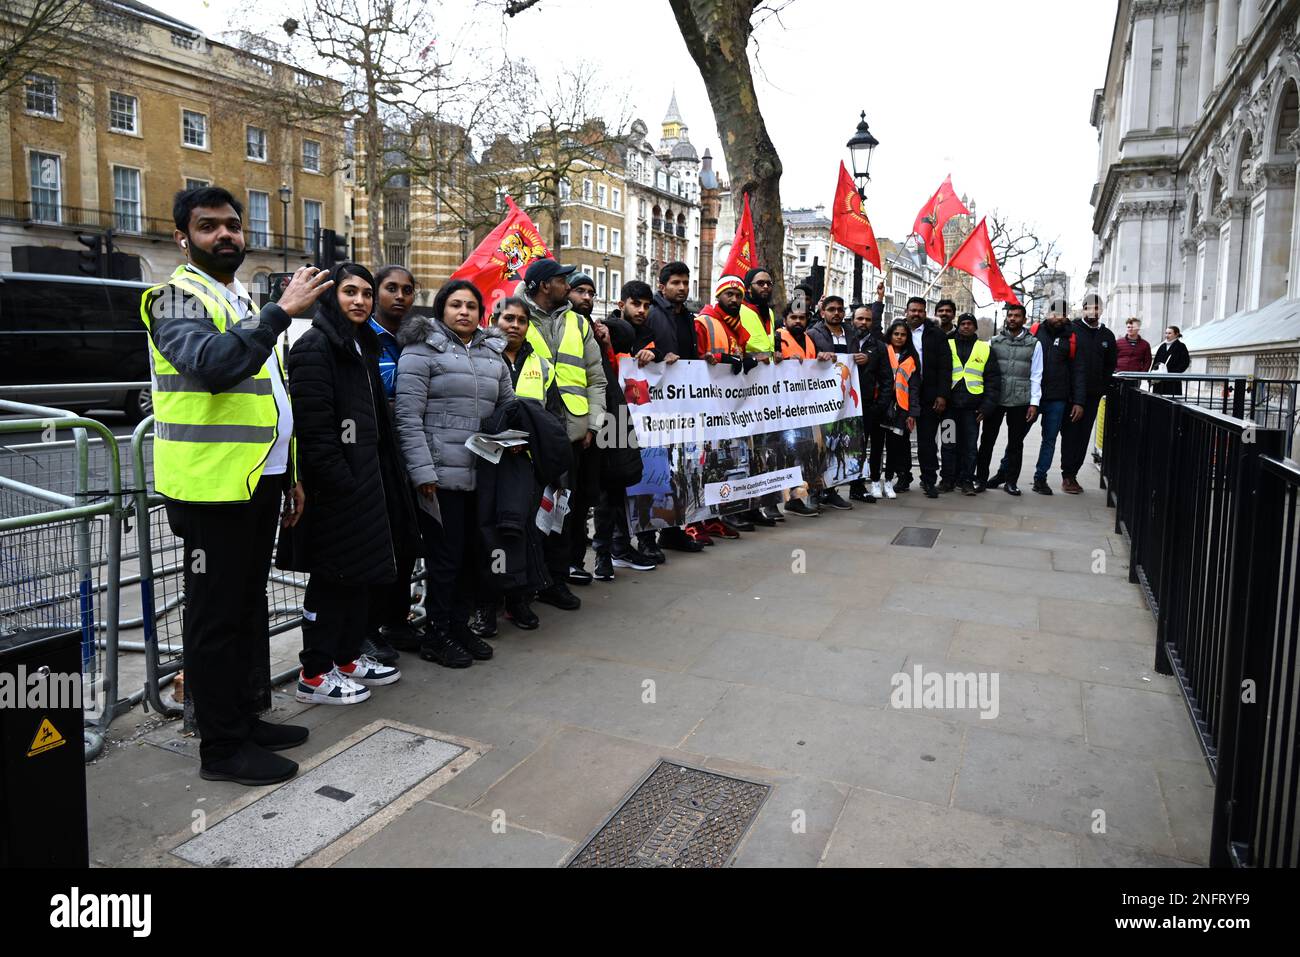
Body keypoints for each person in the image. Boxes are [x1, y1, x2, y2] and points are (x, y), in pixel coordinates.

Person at [141, 185, 330, 786]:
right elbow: (218, 367)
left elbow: (270, 395)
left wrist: (291, 471)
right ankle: (220, 748)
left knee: (247, 608)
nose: (225, 235)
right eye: (208, 227)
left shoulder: (239, 297)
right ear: (183, 238)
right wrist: (280, 313)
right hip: (208, 489)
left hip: (260, 480)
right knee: (214, 619)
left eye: (232, 225)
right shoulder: (170, 298)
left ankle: (245, 719)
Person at [284, 263, 410, 705]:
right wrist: (344, 482)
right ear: (331, 297)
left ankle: (347, 656)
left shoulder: (363, 345)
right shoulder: (315, 346)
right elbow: (315, 431)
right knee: (331, 579)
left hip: (367, 483)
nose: (360, 301)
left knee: (358, 577)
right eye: (349, 292)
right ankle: (315, 673)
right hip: (337, 490)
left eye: (365, 293)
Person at [396, 279, 514, 667]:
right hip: (439, 477)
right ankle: (437, 634)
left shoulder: (494, 354)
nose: (464, 312)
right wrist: (421, 471)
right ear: (441, 310)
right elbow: (407, 417)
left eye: (471, 306)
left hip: (484, 475)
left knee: (472, 558)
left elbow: (508, 410)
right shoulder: (420, 351)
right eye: (455, 305)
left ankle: (459, 627)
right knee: (444, 561)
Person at [476, 295, 563, 630]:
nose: (513, 325)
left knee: (526, 531)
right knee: (487, 534)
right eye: (507, 318)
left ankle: (518, 600)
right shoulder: (480, 357)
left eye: (520, 320)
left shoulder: (541, 365)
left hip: (525, 464)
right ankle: (485, 605)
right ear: (495, 319)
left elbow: (552, 415)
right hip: (487, 461)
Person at [519, 259, 607, 586]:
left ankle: (556, 578)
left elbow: (596, 380)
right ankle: (527, 581)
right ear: (544, 285)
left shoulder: (579, 324)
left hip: (570, 434)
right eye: (561, 280)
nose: (567, 286)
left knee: (562, 509)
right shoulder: (514, 317)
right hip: (528, 435)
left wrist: (593, 425)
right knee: (526, 511)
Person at [360, 264, 422, 665]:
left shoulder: (418, 342)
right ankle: (365, 629)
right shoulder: (363, 340)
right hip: (372, 459)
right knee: (373, 545)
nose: (400, 296)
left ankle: (397, 619)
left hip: (410, 458)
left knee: (406, 541)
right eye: (390, 288)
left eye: (407, 290)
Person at [592, 282, 664, 574]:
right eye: (636, 304)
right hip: (610, 422)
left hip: (638, 425)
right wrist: (607, 344)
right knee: (610, 489)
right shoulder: (607, 332)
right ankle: (607, 552)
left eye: (647, 306)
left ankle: (629, 544)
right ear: (622, 304)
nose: (642, 311)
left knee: (630, 482)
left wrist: (657, 355)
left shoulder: (649, 334)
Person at [979, 303, 1041, 496]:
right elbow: (986, 372)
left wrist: (1034, 402)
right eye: (1010, 315)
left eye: (1017, 316)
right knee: (987, 440)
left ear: (1024, 319)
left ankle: (1011, 482)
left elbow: (1037, 374)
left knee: (1016, 444)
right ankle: (980, 479)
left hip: (1020, 400)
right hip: (996, 398)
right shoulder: (994, 342)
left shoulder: (1034, 344)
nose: (1012, 318)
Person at [806, 296, 859, 511]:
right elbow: (806, 359)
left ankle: (831, 490)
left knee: (836, 445)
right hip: (821, 399)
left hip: (845, 400)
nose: (836, 313)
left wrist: (864, 358)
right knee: (818, 446)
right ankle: (814, 492)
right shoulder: (813, 334)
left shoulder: (852, 334)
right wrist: (817, 356)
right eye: (831, 309)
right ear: (822, 312)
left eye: (839, 309)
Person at [1059, 293, 1116, 494]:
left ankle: (1073, 473)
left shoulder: (1107, 336)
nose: (1092, 311)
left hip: (1092, 395)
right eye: (1088, 308)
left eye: (1096, 308)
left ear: (1101, 310)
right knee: (1071, 434)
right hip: (1071, 394)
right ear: (1083, 309)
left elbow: (1110, 365)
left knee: (1083, 436)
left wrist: (1103, 388)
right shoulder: (1072, 330)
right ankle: (1067, 475)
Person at [1029, 299, 1086, 495]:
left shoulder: (1072, 337)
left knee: (1049, 439)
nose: (1056, 318)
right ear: (1047, 314)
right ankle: (1005, 471)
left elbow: (1078, 370)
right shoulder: (1036, 330)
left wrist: (1078, 401)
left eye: (1060, 314)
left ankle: (1040, 478)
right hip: (1033, 396)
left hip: (1057, 398)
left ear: (1066, 316)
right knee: (1017, 436)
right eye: (1053, 314)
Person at [944, 314, 1001, 495]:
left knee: (969, 446)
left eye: (970, 324)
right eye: (963, 324)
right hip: (949, 408)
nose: (966, 327)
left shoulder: (984, 349)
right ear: (958, 326)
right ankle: (947, 479)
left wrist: (986, 407)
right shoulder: (947, 345)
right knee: (948, 444)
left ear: (975, 328)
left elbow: (993, 380)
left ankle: (967, 480)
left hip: (972, 409)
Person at [901, 297, 951, 498]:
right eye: (913, 310)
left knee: (927, 441)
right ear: (906, 312)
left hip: (929, 396)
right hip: (904, 396)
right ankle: (904, 476)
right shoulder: (899, 332)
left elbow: (945, 366)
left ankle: (929, 479)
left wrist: (942, 395)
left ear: (925, 313)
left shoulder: (936, 334)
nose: (916, 314)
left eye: (920, 311)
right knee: (902, 440)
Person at [848, 304, 890, 502]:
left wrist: (879, 405)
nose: (863, 323)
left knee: (869, 447)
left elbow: (886, 379)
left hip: (869, 406)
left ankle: (860, 486)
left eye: (867, 320)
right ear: (852, 320)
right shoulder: (845, 341)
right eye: (860, 319)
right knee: (851, 447)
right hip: (845, 407)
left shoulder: (880, 347)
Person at [880, 320, 921, 499]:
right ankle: (876, 479)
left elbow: (914, 387)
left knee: (898, 445)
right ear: (890, 334)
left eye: (903, 334)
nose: (899, 337)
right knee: (878, 445)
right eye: (896, 334)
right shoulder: (883, 350)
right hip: (882, 405)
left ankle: (899, 476)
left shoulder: (911, 357)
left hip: (901, 409)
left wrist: (913, 412)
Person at [1151, 325, 1190, 395]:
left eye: (1169, 333)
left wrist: (1174, 373)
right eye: (1166, 333)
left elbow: (1185, 362)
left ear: (1176, 334)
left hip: (1172, 379)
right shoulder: (1162, 346)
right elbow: (1155, 362)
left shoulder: (1181, 346)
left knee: (1171, 401)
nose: (1167, 335)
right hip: (1159, 380)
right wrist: (1152, 376)